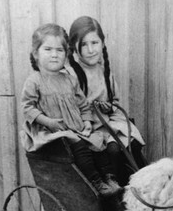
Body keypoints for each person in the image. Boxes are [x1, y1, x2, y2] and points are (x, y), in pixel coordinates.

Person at [20, 23, 120, 197]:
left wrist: (88, 122)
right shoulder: (34, 81)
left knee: (97, 140)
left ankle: (109, 178)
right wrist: (48, 121)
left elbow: (82, 104)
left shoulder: (69, 80)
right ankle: (95, 181)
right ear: (36, 53)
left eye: (59, 50)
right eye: (48, 49)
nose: (54, 55)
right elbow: (28, 107)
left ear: (66, 54)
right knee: (80, 144)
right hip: (50, 133)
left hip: (74, 128)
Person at [66, 16, 147, 188]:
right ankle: (112, 195)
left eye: (94, 43)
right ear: (74, 47)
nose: (90, 50)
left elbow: (114, 100)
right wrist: (89, 109)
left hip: (107, 123)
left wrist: (109, 106)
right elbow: (70, 108)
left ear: (102, 43)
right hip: (86, 128)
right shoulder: (71, 75)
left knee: (129, 143)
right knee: (111, 150)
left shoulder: (105, 72)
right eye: (84, 45)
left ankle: (134, 186)